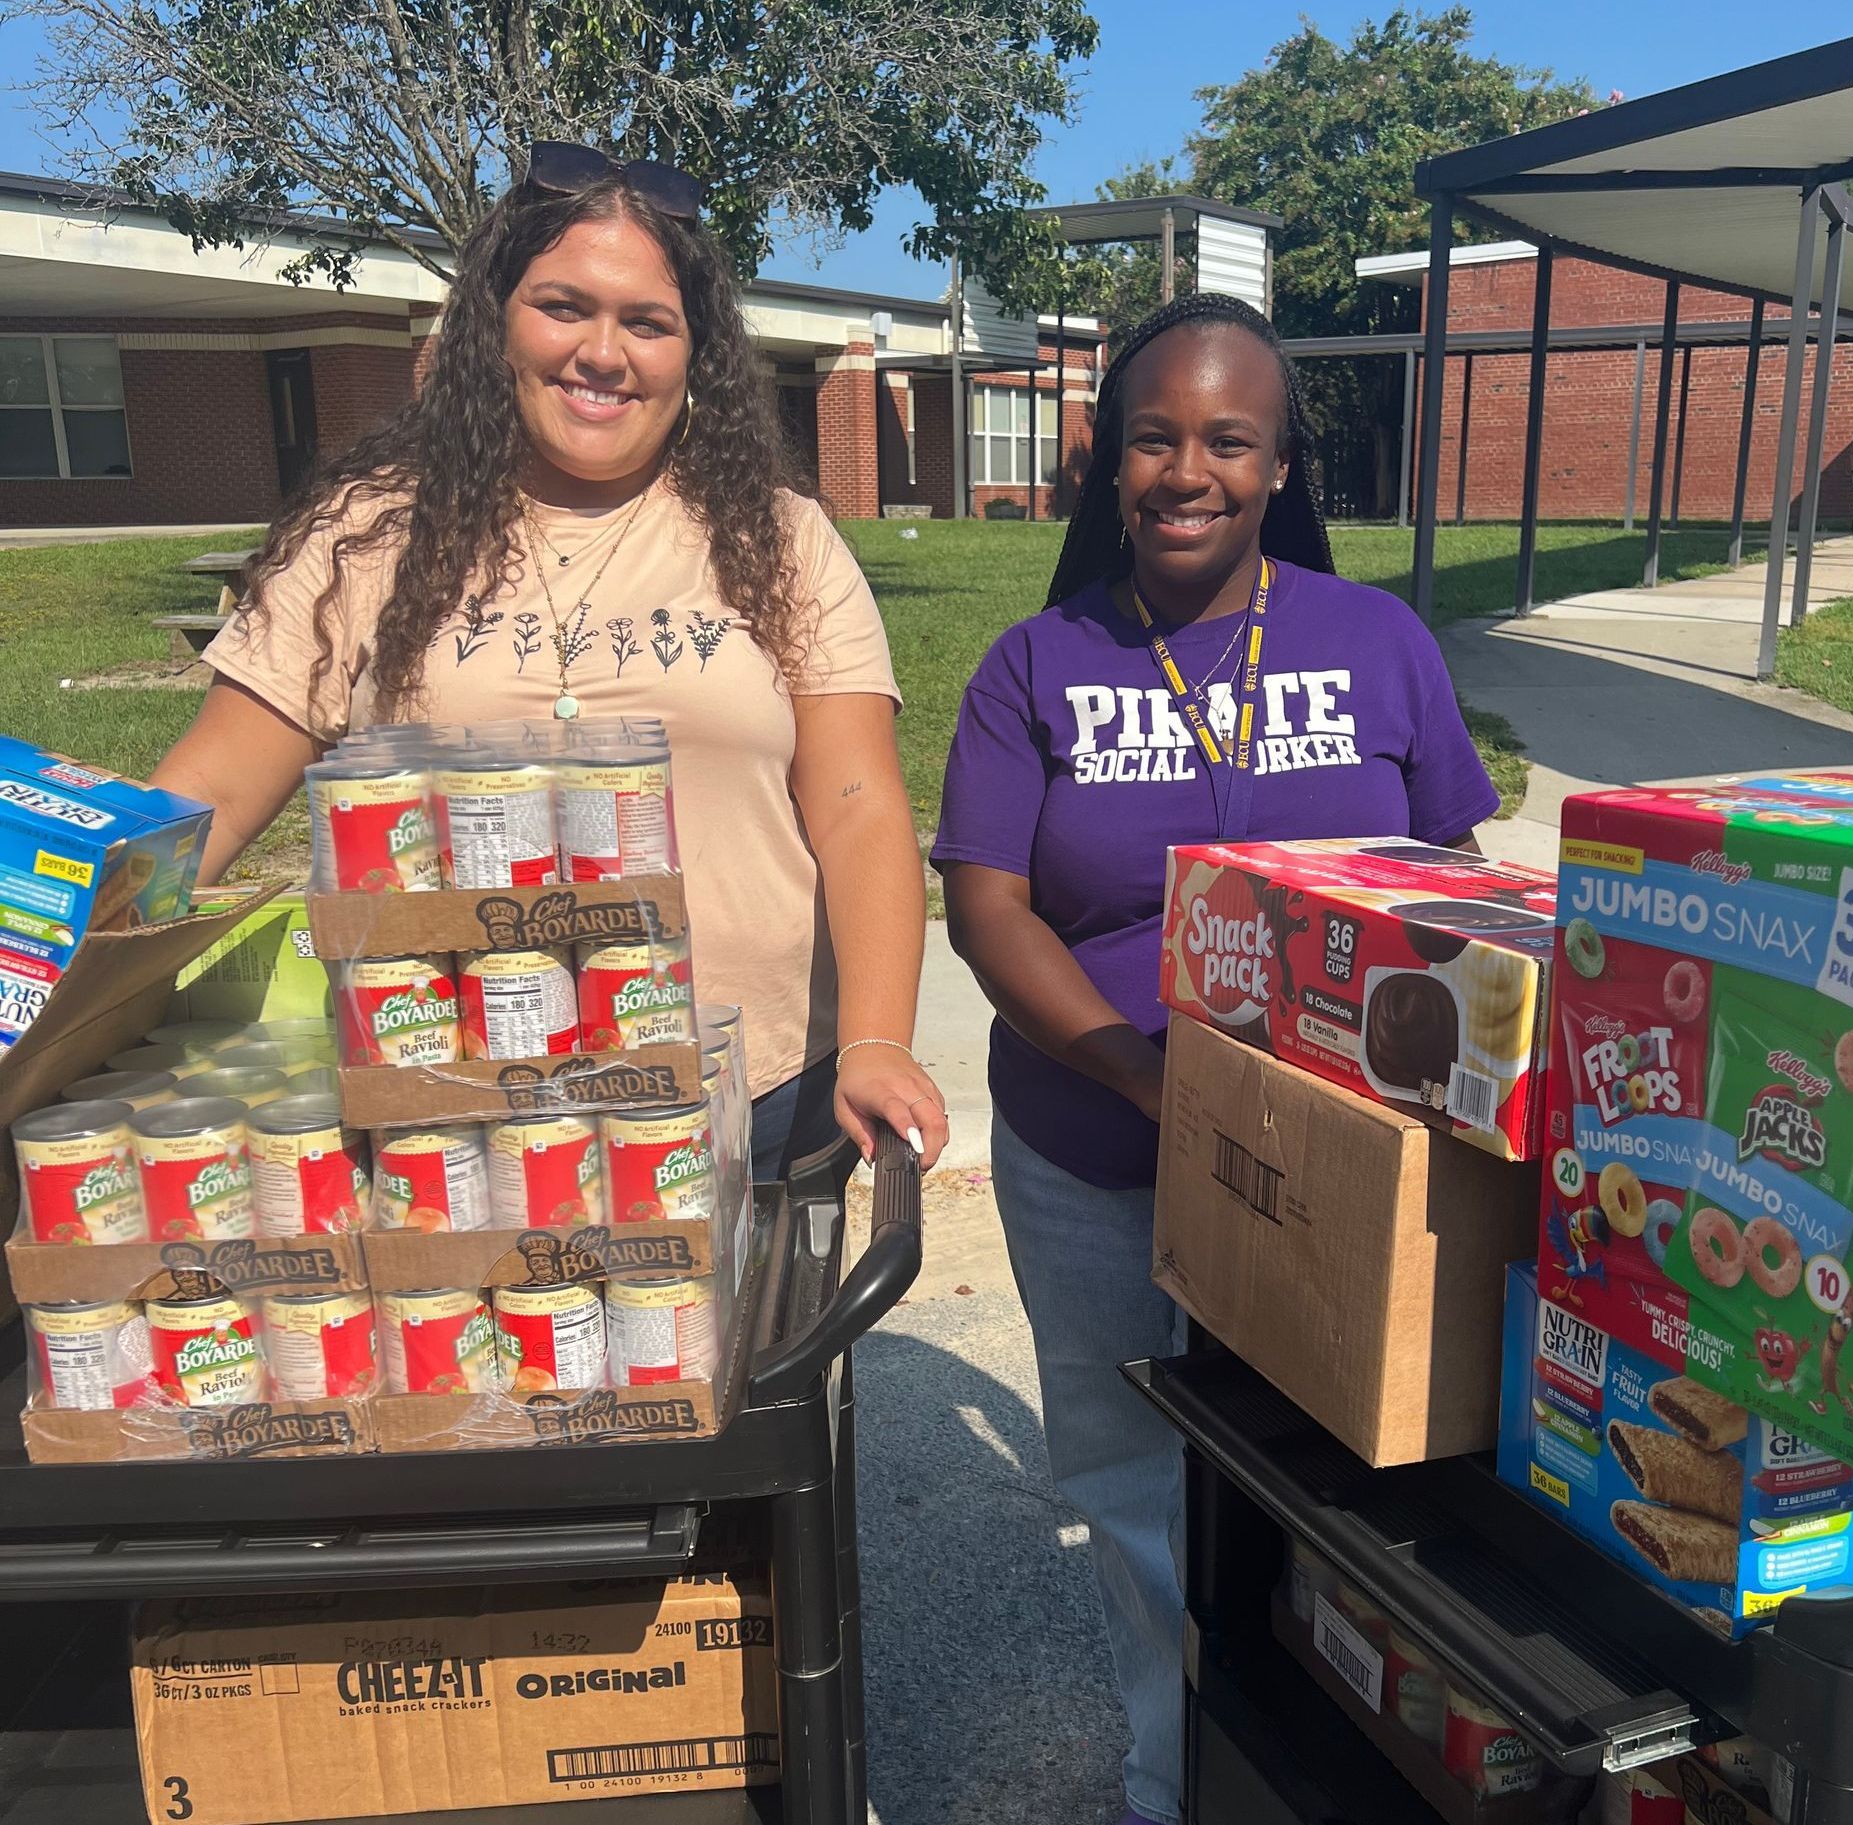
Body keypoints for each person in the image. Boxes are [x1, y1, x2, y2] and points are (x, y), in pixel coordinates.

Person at [932, 293, 1499, 1825]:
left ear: (1279, 463)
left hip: (1342, 1168)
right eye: (1154, 435)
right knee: (1131, 1481)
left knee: (1348, 1483)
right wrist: (1133, 1067)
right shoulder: (1034, 662)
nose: (1188, 469)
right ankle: (1169, 1773)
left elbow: (1457, 882)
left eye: (1227, 440)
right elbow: (985, 907)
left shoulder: (1375, 640)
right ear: (1110, 459)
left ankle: (1328, 1768)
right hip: (1096, 1148)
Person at [150, 143, 946, 1180]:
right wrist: (48, 944)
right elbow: (208, 787)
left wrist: (878, 1040)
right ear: (495, 322)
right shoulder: (369, 533)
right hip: (445, 1095)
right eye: (564, 307)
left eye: (648, 322)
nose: (604, 353)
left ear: (692, 351)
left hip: (752, 1094)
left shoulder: (779, 538)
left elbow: (857, 802)